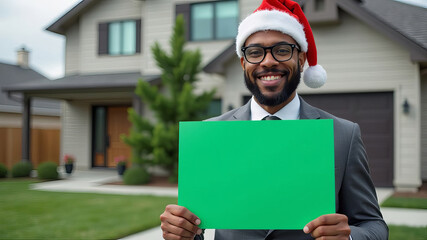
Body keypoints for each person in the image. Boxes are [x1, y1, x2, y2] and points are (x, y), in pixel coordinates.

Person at [160, 0, 388, 239]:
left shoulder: (343, 135)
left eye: (281, 50)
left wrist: (350, 237)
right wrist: (182, 232)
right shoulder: (210, 135)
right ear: (243, 63)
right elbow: (196, 227)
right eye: (255, 52)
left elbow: (374, 225)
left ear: (301, 59)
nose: (268, 61)